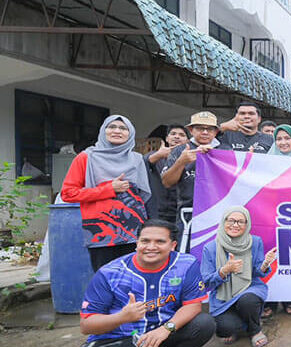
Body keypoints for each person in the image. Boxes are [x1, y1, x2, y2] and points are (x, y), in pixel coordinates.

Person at [70, 219, 215, 347]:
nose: (151, 247)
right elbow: (86, 325)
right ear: (137, 243)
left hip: (161, 333)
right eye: (145, 241)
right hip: (119, 338)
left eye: (160, 241)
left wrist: (166, 329)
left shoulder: (186, 264)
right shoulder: (110, 273)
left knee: (204, 324)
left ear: (173, 245)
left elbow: (193, 305)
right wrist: (122, 317)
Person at [61, 114, 152, 271]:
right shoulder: (86, 158)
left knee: (133, 276)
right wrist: (109, 189)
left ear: (130, 133)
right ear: (103, 130)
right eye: (112, 127)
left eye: (123, 128)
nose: (117, 131)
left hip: (133, 230)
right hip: (101, 231)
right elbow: (68, 193)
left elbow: (143, 195)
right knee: (105, 276)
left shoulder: (137, 159)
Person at [201, 206, 276, 347]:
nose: (235, 225)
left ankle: (255, 330)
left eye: (241, 222)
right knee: (224, 329)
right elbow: (206, 282)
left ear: (247, 225)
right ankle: (241, 323)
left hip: (249, 288)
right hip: (223, 297)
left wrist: (265, 264)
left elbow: (257, 272)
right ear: (224, 222)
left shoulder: (255, 242)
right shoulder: (210, 248)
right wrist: (224, 271)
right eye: (231, 220)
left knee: (248, 301)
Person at [161, 112, 220, 249]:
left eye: (209, 129)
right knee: (187, 252)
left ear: (216, 132)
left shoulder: (226, 150)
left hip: (219, 212)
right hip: (188, 213)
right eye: (200, 128)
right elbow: (167, 182)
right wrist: (181, 162)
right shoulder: (180, 150)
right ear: (191, 130)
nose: (205, 132)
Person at [265, 124, 291, 316]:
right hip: (268, 216)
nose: (283, 142)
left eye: (287, 138)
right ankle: (270, 301)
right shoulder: (263, 163)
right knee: (270, 257)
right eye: (279, 139)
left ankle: (290, 299)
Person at [146, 125, 188, 223]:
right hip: (159, 210)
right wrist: (159, 155)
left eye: (181, 135)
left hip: (182, 210)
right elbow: (143, 163)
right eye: (173, 134)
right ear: (167, 138)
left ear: (187, 141)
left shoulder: (191, 157)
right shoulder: (155, 155)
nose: (177, 137)